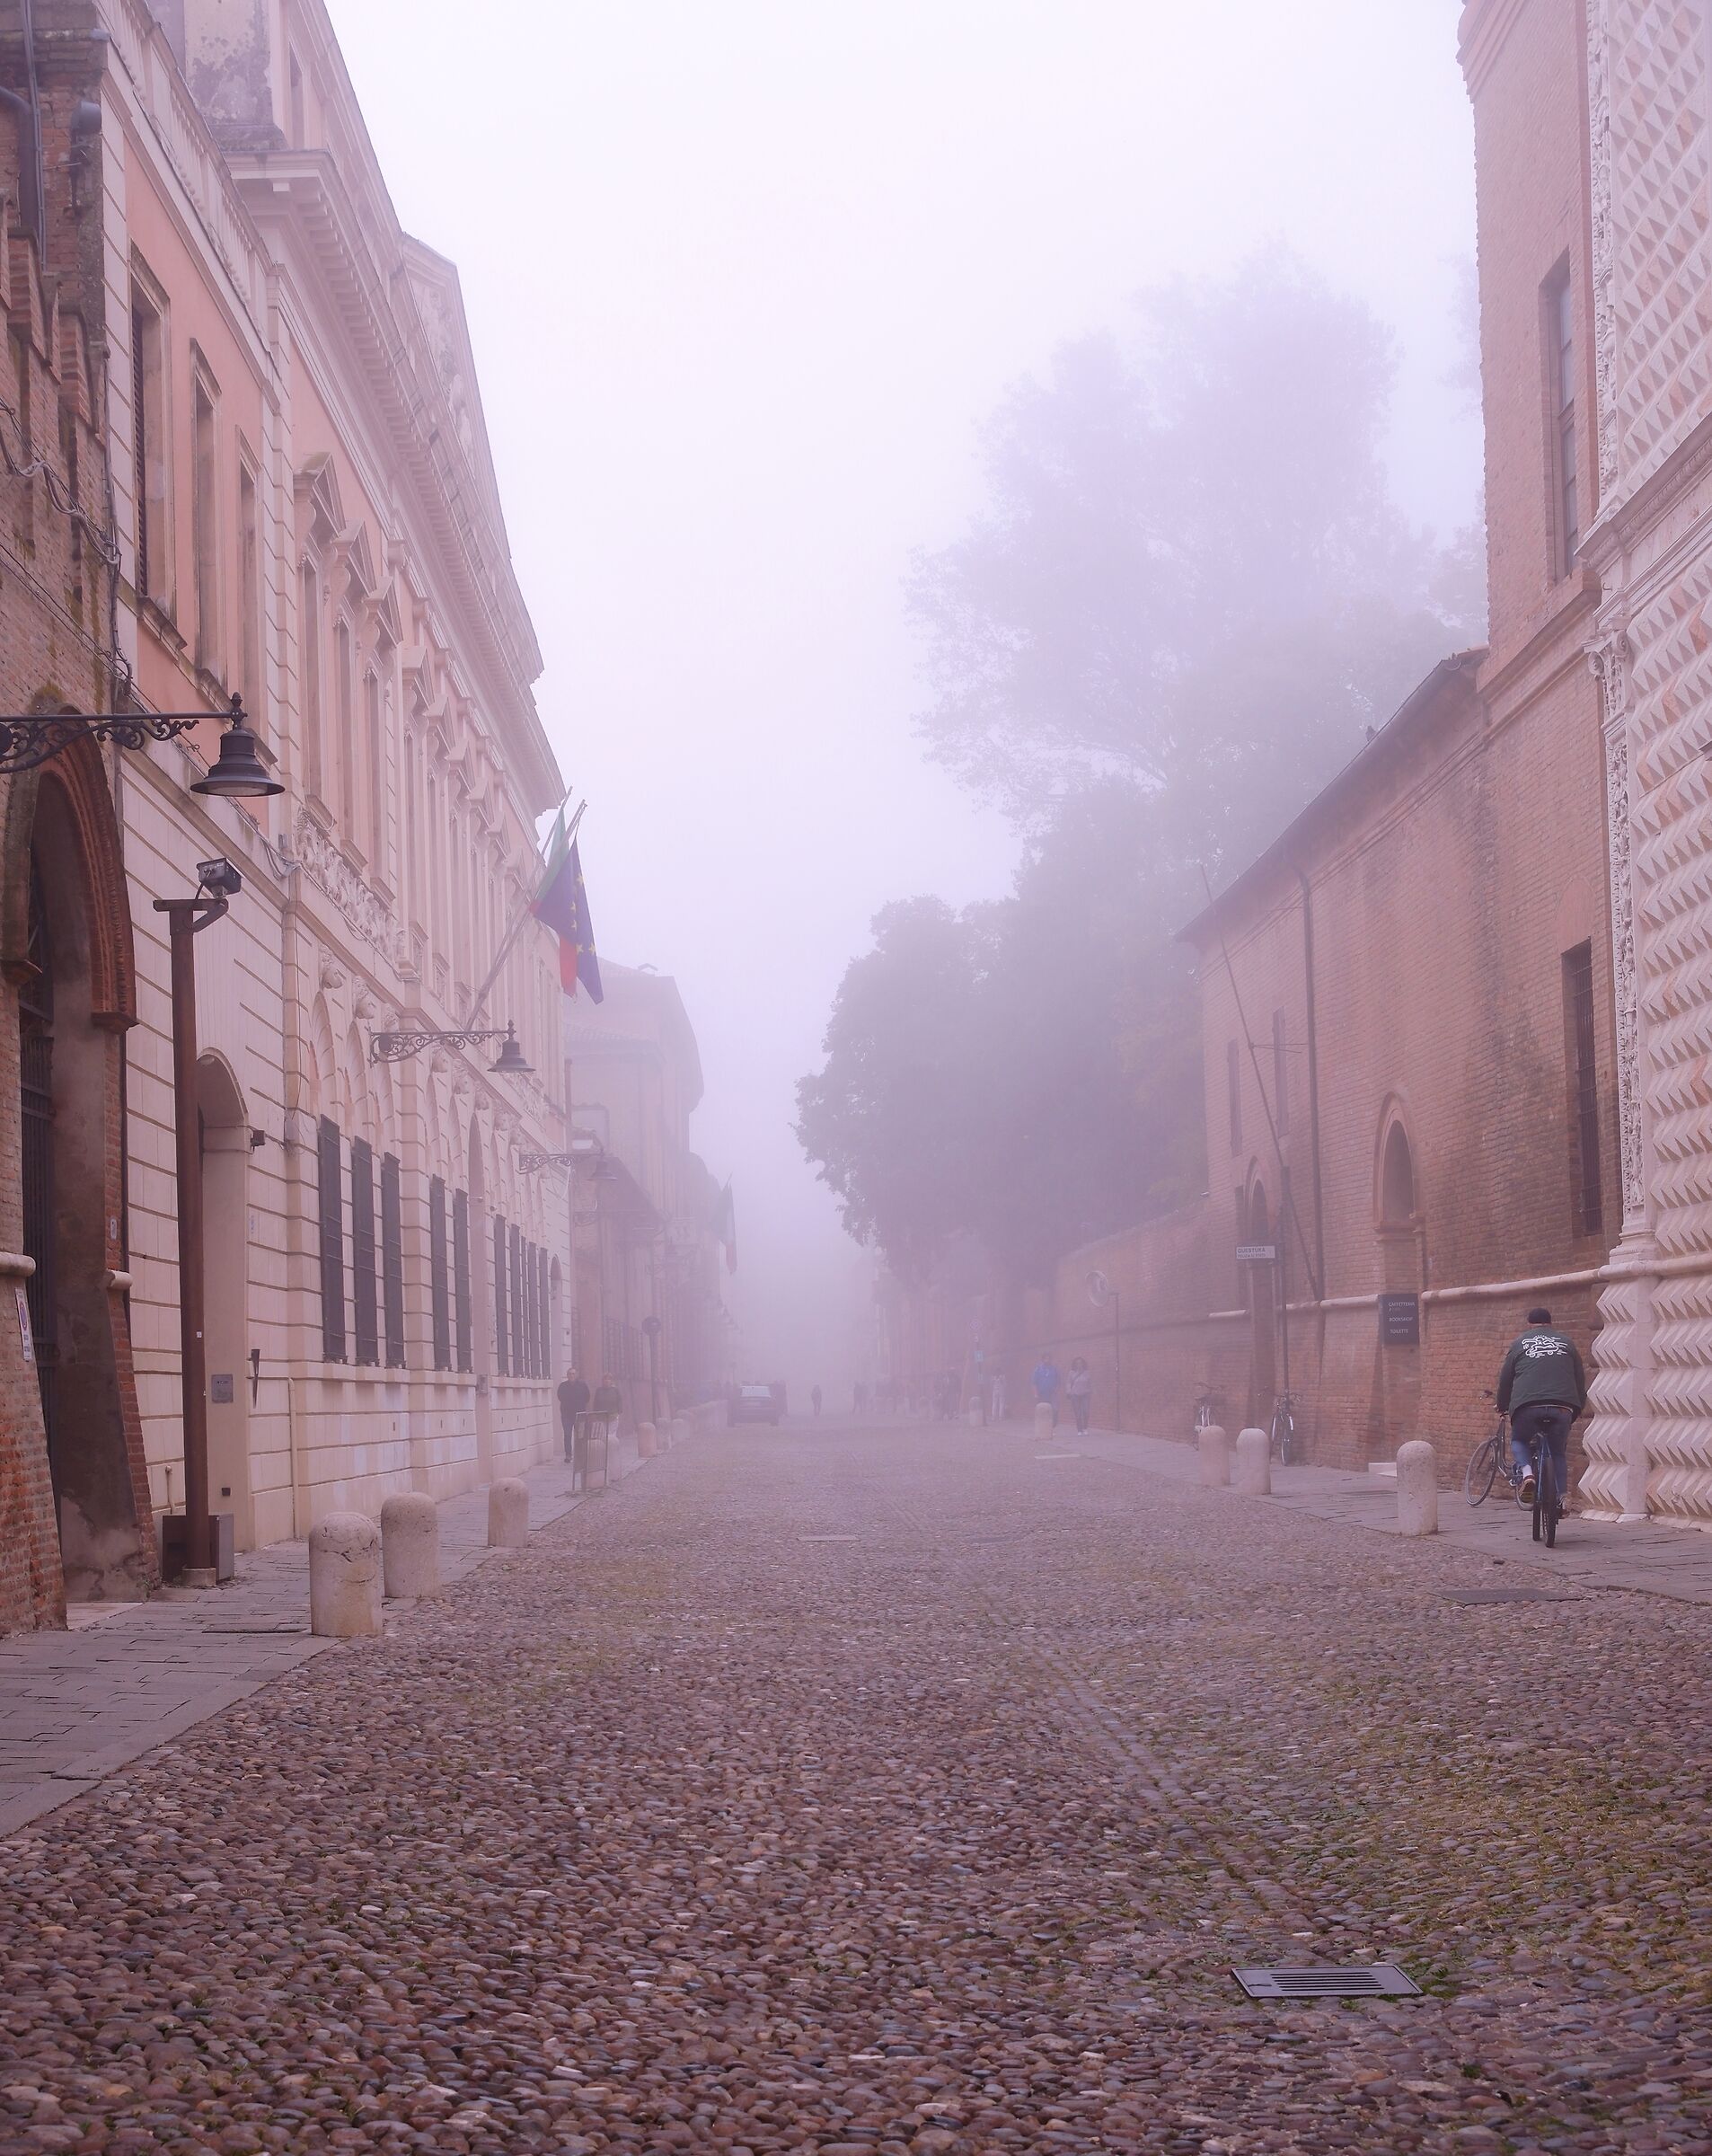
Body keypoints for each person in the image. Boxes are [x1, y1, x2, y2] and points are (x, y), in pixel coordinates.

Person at [1496, 1306, 1587, 1511]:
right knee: (1557, 1452)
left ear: (1529, 1324)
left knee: (1519, 1440)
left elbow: (1506, 1380)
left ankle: (1527, 1473)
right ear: (1550, 1322)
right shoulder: (1568, 1343)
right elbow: (1579, 1379)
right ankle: (1562, 1499)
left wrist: (1502, 1405)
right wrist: (1578, 1406)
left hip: (1526, 1406)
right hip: (1562, 1406)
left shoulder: (1519, 1343)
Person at [557, 1365, 591, 1482]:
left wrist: (580, 1406)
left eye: (573, 1374)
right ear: (567, 1376)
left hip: (579, 1414)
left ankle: (580, 1455)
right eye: (569, 1374)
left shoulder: (582, 1386)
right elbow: (560, 1397)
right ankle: (568, 1455)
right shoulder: (563, 1386)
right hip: (567, 1414)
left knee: (580, 1435)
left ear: (576, 1375)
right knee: (567, 1434)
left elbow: (587, 1397)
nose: (571, 1376)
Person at [1032, 1352, 1062, 1430]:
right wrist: (1035, 1393)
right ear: (1042, 1359)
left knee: (1055, 1410)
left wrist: (1057, 1389)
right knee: (1043, 1411)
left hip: (1052, 1393)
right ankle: (1044, 1428)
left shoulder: (1054, 1369)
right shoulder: (1038, 1369)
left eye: (1048, 1358)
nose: (1047, 1360)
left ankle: (1053, 1426)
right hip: (1041, 1394)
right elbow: (1034, 1382)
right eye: (1045, 1358)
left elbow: (1059, 1381)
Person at [1066, 1355, 1092, 1436]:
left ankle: (1085, 1428)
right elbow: (1069, 1383)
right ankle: (1079, 1430)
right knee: (1077, 1412)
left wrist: (1091, 1391)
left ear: (1083, 1364)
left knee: (1086, 1411)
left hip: (1085, 1394)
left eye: (1080, 1363)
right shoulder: (1071, 1373)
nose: (1079, 1365)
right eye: (1077, 1363)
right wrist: (1069, 1392)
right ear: (1075, 1364)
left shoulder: (1087, 1372)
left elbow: (1089, 1382)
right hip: (1075, 1394)